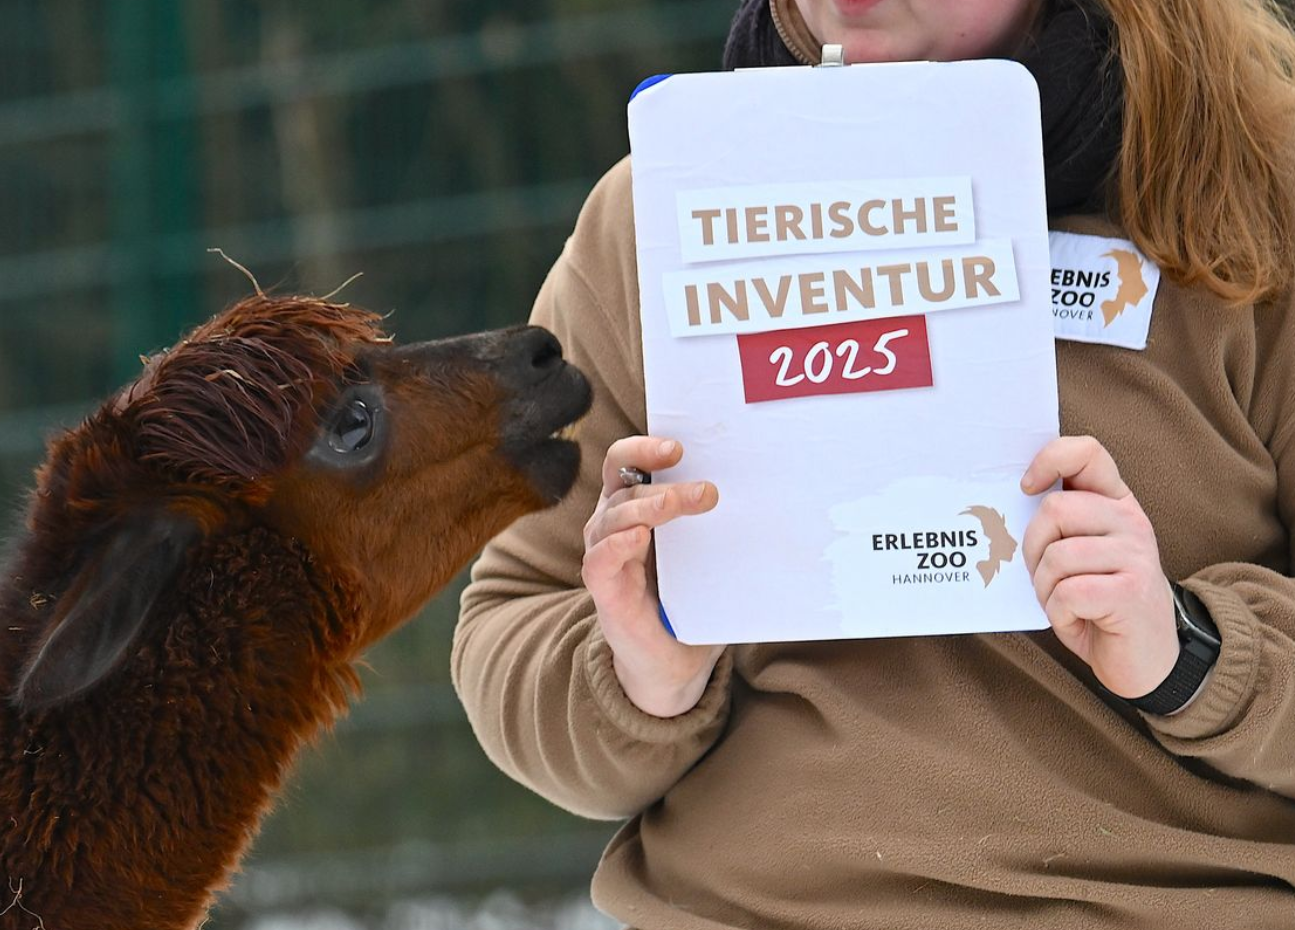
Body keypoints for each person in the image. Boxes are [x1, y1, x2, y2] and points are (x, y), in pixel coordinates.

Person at [452, 1, 1295, 927]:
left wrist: (1191, 656)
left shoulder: (1259, 187)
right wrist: (639, 671)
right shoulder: (662, 205)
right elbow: (510, 622)